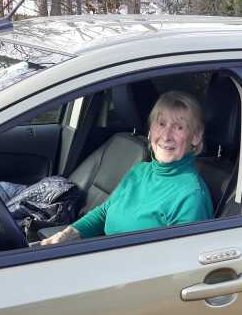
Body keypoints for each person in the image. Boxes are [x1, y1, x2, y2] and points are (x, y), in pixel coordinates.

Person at [40, 91, 213, 245]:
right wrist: (66, 235)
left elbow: (177, 264)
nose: (166, 136)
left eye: (179, 127)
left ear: (196, 137)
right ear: (151, 131)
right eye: (161, 124)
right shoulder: (140, 171)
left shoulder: (191, 195)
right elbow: (104, 212)